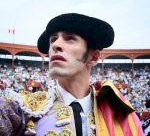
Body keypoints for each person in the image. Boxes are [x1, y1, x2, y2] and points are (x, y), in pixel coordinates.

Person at [0, 13, 144, 136]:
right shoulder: (20, 108)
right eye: (53, 39)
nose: (55, 45)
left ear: (93, 57)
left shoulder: (123, 116)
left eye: (70, 39)